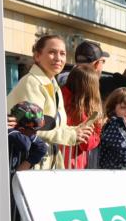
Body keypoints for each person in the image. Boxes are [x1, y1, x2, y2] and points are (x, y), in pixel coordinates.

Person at [6, 34, 92, 170]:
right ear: (37, 56)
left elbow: (55, 126)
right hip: (27, 163)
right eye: (52, 52)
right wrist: (72, 135)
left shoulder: (53, 84)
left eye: (62, 53)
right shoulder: (32, 82)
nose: (58, 58)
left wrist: (76, 130)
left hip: (44, 164)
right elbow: (32, 129)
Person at [61, 64, 104, 170]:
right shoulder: (79, 110)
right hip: (71, 163)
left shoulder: (60, 97)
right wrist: (98, 130)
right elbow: (86, 143)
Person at [7, 101, 53, 174]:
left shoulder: (25, 133)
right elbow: (25, 144)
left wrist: (17, 174)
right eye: (34, 130)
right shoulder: (8, 129)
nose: (36, 133)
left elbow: (42, 147)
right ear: (22, 128)